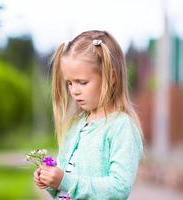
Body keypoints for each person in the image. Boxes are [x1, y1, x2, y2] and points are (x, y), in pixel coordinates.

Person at [33, 30, 144, 199]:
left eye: (82, 82)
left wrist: (64, 180)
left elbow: (119, 188)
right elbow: (65, 181)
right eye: (69, 83)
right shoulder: (77, 124)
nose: (74, 91)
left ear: (111, 77)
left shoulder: (121, 127)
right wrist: (50, 180)